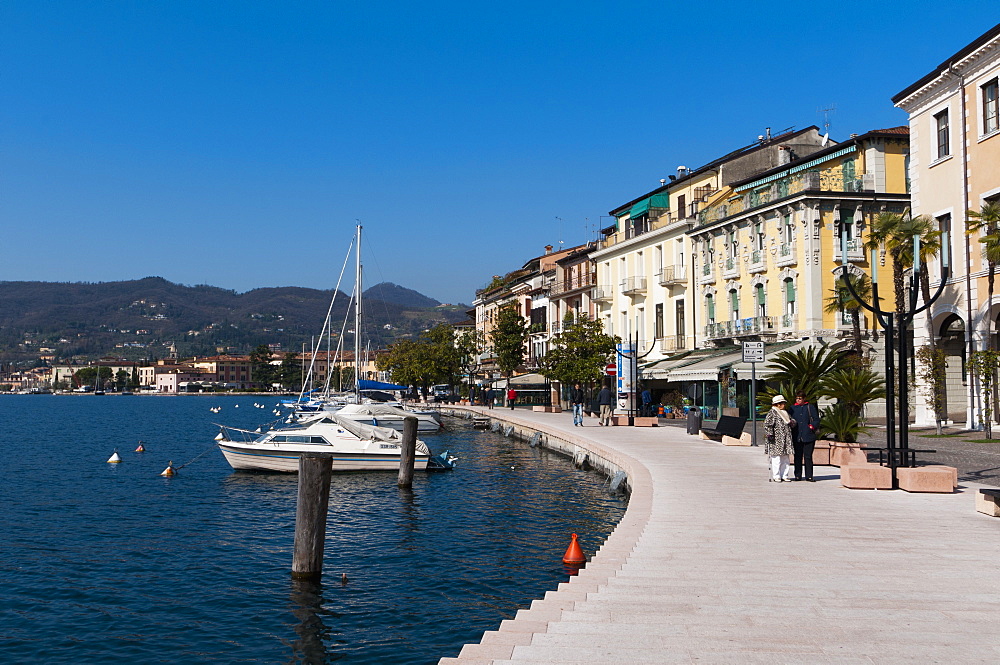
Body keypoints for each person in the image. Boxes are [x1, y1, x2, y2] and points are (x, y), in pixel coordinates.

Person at [789, 391, 821, 481]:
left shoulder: (810, 407)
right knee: (797, 456)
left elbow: (816, 419)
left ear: (804, 399)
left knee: (808, 456)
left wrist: (811, 426)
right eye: (797, 398)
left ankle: (809, 476)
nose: (798, 400)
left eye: (800, 398)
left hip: (808, 436)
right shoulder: (792, 408)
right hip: (797, 436)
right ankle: (798, 475)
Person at [763, 394, 795, 482]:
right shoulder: (772, 413)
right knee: (776, 458)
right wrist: (770, 435)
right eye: (782, 403)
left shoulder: (785, 413)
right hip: (776, 440)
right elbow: (767, 425)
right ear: (778, 404)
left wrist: (792, 422)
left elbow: (792, 420)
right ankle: (776, 475)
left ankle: (784, 475)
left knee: (785, 458)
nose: (784, 405)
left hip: (786, 439)